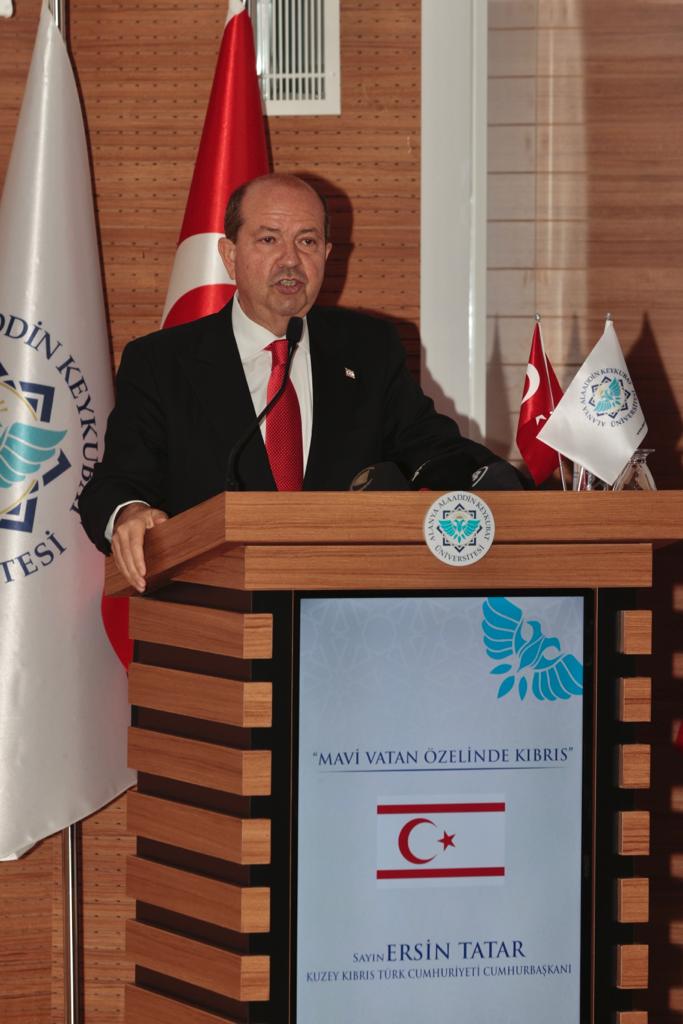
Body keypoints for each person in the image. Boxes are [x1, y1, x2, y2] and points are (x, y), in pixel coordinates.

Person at [79, 173, 512, 592]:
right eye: (269, 240)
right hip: (216, 611)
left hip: (342, 608)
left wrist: (506, 485)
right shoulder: (162, 362)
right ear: (229, 255)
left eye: (307, 242)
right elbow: (115, 482)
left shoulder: (368, 349)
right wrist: (128, 513)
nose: (290, 260)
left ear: (326, 254)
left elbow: (432, 449)